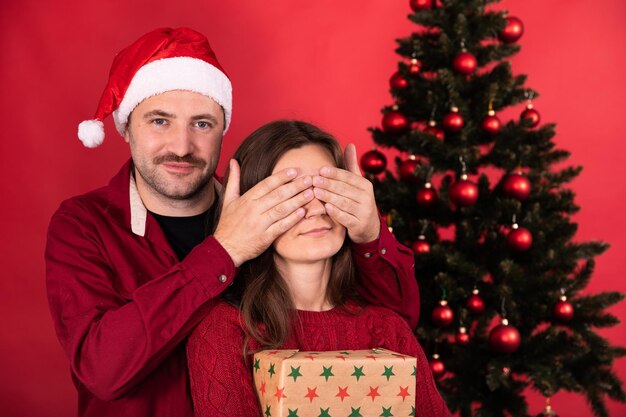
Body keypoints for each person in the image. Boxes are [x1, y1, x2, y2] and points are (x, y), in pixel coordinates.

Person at [45, 28, 419, 417]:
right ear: (126, 127)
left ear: (223, 127)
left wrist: (370, 237)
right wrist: (225, 252)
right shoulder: (83, 225)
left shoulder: (273, 213)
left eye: (202, 124)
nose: (181, 146)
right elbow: (102, 369)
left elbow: (394, 331)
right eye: (159, 121)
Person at [187, 120, 449, 417]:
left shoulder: (387, 328)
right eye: (291, 194)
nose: (316, 208)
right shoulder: (225, 331)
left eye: (328, 189)